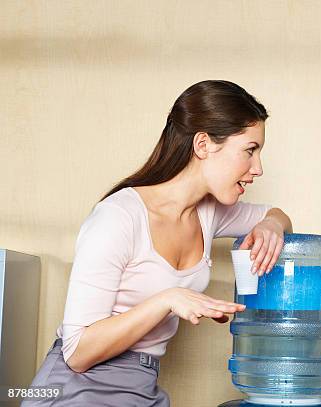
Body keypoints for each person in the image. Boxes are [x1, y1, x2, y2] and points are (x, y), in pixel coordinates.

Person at [23, 80, 292, 406]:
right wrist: (168, 299)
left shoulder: (209, 214)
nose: (258, 168)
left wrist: (272, 227)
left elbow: (278, 215)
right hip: (74, 389)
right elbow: (78, 352)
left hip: (142, 386)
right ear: (204, 145)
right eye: (250, 151)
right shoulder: (118, 218)